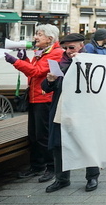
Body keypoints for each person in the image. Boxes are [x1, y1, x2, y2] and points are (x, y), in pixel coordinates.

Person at [4, 24, 64, 182]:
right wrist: (24, 59)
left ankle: (51, 167)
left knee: (44, 135)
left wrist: (15, 61)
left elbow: (36, 72)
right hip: (35, 97)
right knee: (34, 135)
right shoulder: (42, 53)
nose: (35, 37)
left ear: (49, 39)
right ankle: (36, 166)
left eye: (39, 34)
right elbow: (33, 70)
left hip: (45, 98)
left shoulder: (57, 53)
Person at [42, 33, 100, 193]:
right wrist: (50, 80)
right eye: (65, 48)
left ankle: (92, 177)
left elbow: (98, 84)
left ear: (82, 46)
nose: (67, 51)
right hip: (62, 110)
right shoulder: (60, 63)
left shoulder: (91, 62)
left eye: (71, 47)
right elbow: (46, 87)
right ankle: (62, 179)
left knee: (87, 143)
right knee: (58, 145)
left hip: (84, 111)